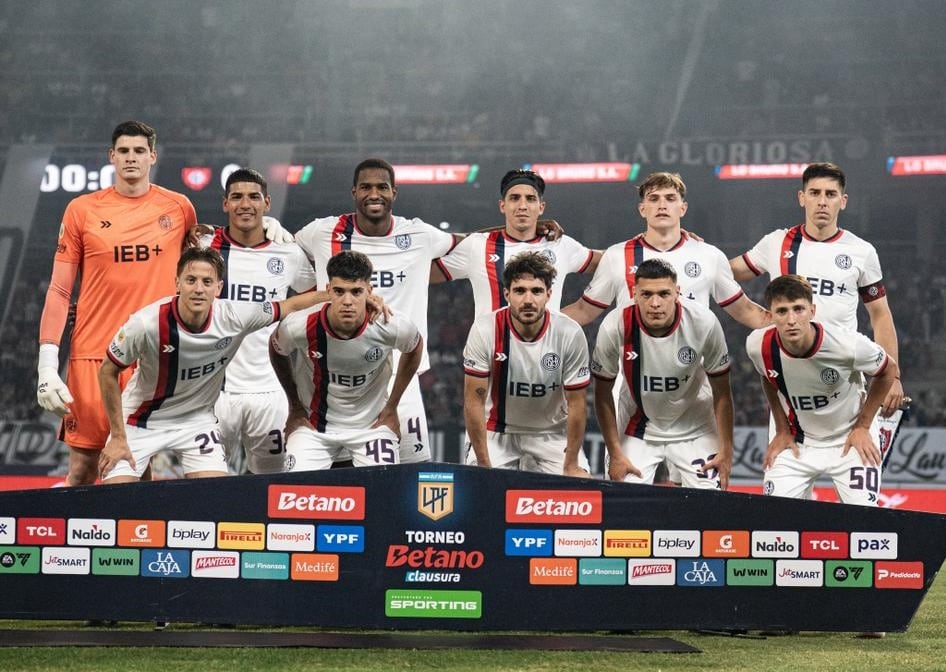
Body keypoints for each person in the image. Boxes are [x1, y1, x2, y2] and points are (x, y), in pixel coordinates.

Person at [36, 121, 199, 486]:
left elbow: (203, 263)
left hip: (153, 355)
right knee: (83, 469)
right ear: (112, 156)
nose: (131, 158)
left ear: (152, 157)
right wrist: (48, 365)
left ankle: (137, 543)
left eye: (139, 151)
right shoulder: (82, 210)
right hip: (94, 354)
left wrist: (267, 230)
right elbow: (60, 290)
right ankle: (62, 542)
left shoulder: (179, 208)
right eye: (123, 151)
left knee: (138, 468)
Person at [96, 247, 328, 483]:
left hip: (195, 421)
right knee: (118, 497)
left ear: (218, 288)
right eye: (191, 280)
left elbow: (292, 305)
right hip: (140, 421)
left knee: (214, 498)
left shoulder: (235, 316)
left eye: (207, 282)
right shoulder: (145, 323)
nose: (198, 289)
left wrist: (349, 299)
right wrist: (117, 436)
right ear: (177, 284)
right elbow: (107, 371)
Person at [292, 158, 458, 465]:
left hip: (400, 375)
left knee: (414, 476)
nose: (374, 194)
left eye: (382, 187)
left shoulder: (419, 235)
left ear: (394, 192)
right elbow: (281, 249)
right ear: (354, 191)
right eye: (366, 187)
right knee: (333, 478)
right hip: (336, 377)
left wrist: (523, 231)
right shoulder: (322, 232)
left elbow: (472, 243)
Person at [730, 161, 905, 443]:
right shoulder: (777, 243)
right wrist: (697, 255)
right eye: (814, 193)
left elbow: (880, 314)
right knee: (785, 484)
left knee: (854, 481)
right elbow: (727, 273)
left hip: (845, 381)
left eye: (830, 194)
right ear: (802, 197)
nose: (822, 201)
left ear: (843, 201)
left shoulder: (861, 252)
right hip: (790, 382)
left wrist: (893, 376)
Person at [746, 274, 899, 506]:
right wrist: (781, 428)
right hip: (797, 442)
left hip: (849, 439)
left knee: (864, 523)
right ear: (770, 315)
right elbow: (767, 377)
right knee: (774, 521)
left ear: (812, 311)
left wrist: (863, 426)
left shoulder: (847, 345)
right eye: (782, 311)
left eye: (798, 309)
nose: (791, 320)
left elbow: (888, 370)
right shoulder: (758, 345)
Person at [204, 168, 319, 474]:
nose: (245, 204)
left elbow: (316, 299)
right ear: (225, 203)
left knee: (271, 486)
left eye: (254, 197)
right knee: (204, 483)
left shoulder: (288, 253)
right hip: (214, 391)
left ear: (267, 203)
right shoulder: (203, 246)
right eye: (237, 197)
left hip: (271, 391)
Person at [269, 250, 424, 471]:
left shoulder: (392, 325)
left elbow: (415, 348)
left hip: (372, 427)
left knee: (384, 494)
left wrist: (392, 407)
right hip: (313, 428)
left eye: (356, 292)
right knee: (294, 497)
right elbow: (277, 350)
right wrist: (294, 406)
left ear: (369, 291)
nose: (347, 301)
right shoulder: (299, 326)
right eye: (339, 291)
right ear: (328, 290)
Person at [591, 259, 734, 489]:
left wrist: (726, 450)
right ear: (634, 294)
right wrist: (615, 452)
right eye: (646, 294)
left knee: (713, 505)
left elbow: (722, 392)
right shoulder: (615, 324)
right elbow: (603, 393)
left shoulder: (704, 322)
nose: (655, 303)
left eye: (664, 294)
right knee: (623, 506)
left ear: (677, 293)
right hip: (638, 429)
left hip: (696, 426)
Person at [563, 171, 767, 329]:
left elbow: (746, 312)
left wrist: (796, 324)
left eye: (670, 198)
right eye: (654, 199)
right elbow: (584, 311)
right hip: (632, 374)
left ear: (683, 208)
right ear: (642, 209)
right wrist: (533, 327)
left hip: (693, 375)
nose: (662, 205)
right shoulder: (617, 256)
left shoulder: (710, 256)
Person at [462, 252, 590, 475]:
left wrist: (570, 464)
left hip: (551, 433)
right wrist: (483, 466)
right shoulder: (485, 329)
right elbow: (474, 401)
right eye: (520, 291)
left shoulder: (569, 332)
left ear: (549, 294)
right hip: (497, 433)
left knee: (579, 491)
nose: (528, 300)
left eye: (537, 291)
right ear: (507, 294)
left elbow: (577, 404)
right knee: (480, 493)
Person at [433, 168, 601, 317]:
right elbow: (419, 271)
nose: (522, 205)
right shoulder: (477, 246)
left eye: (530, 199)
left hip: (546, 351)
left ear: (541, 207)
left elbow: (615, 258)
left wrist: (567, 319)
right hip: (490, 351)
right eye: (514, 198)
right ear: (502, 205)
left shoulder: (560, 245)